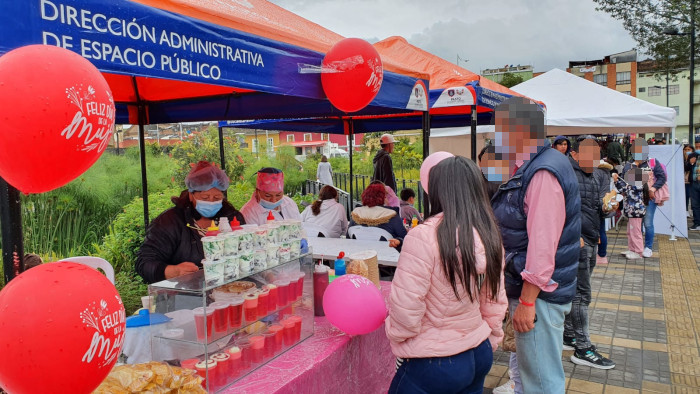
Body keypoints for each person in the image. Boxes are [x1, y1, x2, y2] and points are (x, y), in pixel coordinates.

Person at [386, 154, 507, 394]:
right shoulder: (489, 233)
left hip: (434, 361)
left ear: (436, 189)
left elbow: (405, 309)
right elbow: (495, 299)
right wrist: (491, 337)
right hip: (478, 352)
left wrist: (399, 339)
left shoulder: (423, 236)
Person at [490, 97, 580, 394]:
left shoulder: (542, 171)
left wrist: (527, 302)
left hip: (539, 296)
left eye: (501, 129)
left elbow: (543, 246)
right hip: (538, 291)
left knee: (540, 382)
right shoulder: (538, 164)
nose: (496, 137)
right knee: (535, 376)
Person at [135, 161, 245, 283]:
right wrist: (173, 271)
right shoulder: (169, 221)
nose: (211, 202)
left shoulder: (232, 218)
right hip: (183, 295)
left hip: (229, 290)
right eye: (205, 198)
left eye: (217, 198)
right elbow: (144, 263)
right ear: (191, 195)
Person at [564, 137, 616, 369]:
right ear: (574, 155)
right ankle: (583, 348)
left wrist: (609, 208)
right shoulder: (565, 174)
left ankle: (568, 334)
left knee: (578, 291)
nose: (593, 159)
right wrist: (573, 236)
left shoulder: (599, 175)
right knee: (581, 295)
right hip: (575, 243)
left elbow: (601, 210)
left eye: (596, 155)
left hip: (592, 240)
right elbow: (559, 210)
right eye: (587, 154)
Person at [621, 139, 666, 258]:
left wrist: (653, 189)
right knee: (636, 225)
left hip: (649, 198)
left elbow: (662, 177)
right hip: (634, 200)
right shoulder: (629, 164)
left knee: (648, 223)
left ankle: (648, 247)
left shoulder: (652, 162)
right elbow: (624, 180)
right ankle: (636, 248)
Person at [349, 183, 406, 250]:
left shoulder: (356, 215)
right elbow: (405, 238)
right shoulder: (392, 216)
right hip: (386, 256)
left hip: (359, 255)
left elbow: (349, 237)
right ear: (383, 198)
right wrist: (398, 240)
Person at [614, 169, 648, 259]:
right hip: (632, 212)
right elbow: (623, 189)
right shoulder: (633, 186)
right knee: (630, 231)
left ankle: (638, 251)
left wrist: (617, 181)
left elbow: (623, 188)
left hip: (635, 212)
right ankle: (632, 249)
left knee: (635, 232)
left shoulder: (637, 186)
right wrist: (617, 181)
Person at [594, 159, 615, 265]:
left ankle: (601, 254)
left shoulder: (596, 172)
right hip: (603, 204)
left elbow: (594, 189)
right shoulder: (606, 172)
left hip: (596, 204)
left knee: (599, 231)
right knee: (601, 230)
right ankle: (602, 255)